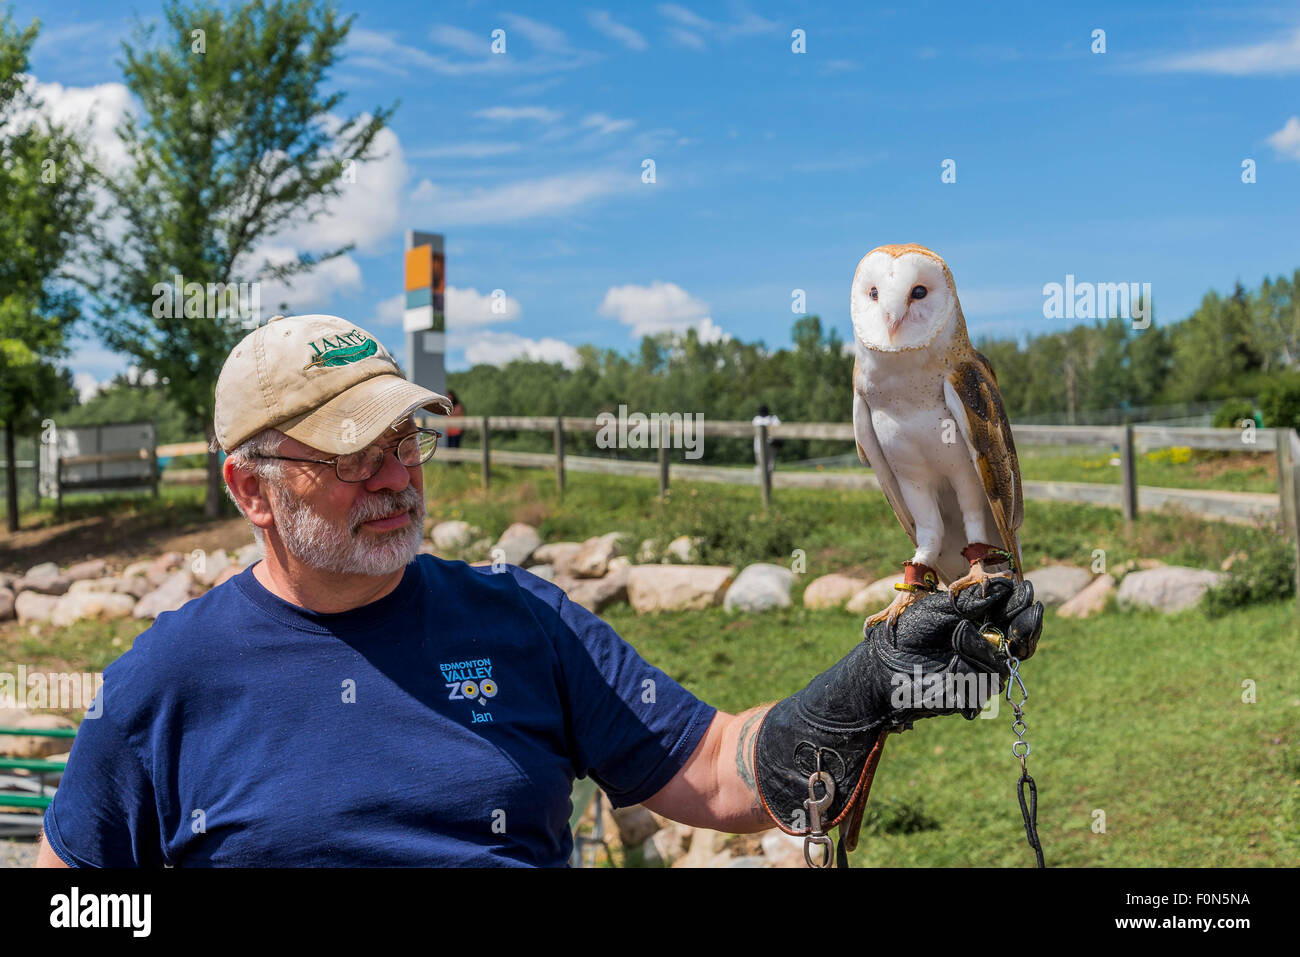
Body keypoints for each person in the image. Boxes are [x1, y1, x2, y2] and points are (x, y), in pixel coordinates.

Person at [35, 314, 1042, 868]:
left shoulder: (518, 619)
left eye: (405, 440)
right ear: (250, 489)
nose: (395, 477)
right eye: (349, 456)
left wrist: (874, 677)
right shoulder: (165, 681)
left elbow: (720, 774)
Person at [752, 403, 781, 475]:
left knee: (761, 465)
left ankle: (764, 481)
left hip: (759, 446)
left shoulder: (756, 420)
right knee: (770, 465)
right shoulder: (772, 419)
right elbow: (779, 428)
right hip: (770, 444)